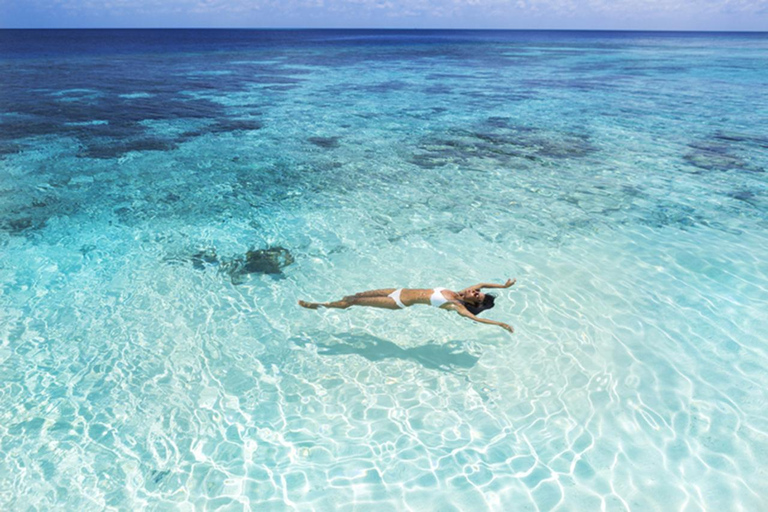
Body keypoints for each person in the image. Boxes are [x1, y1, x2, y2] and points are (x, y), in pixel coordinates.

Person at [298, 278, 517, 333]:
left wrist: (499, 324)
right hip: (397, 290)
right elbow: (484, 283)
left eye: (476, 296)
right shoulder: (460, 291)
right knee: (355, 295)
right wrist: (504, 287)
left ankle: (320, 306)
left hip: (397, 301)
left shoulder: (456, 305)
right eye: (477, 292)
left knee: (353, 302)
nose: (475, 291)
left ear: (471, 302)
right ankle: (332, 304)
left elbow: (476, 318)